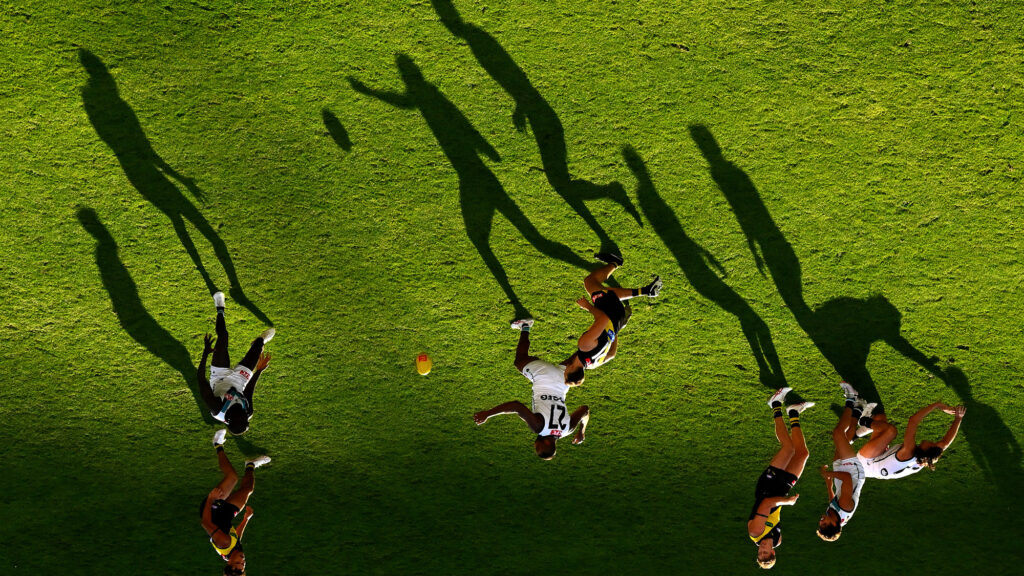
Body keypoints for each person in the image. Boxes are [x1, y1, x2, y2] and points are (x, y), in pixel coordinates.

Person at [473, 319, 590, 459]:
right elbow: (516, 406)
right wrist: (488, 414)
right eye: (537, 448)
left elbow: (585, 410)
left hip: (563, 379)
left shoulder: (567, 430)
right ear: (546, 443)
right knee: (520, 360)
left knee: (583, 352)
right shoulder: (539, 427)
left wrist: (582, 431)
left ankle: (602, 332)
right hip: (543, 375)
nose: (534, 445)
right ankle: (525, 325)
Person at [560, 253, 662, 385]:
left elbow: (611, 354)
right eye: (565, 373)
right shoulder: (584, 345)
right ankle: (617, 263)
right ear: (571, 369)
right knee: (590, 282)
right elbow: (602, 319)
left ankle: (646, 290)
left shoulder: (592, 365)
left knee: (604, 291)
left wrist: (615, 332)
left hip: (617, 321)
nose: (564, 370)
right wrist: (587, 306)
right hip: (610, 313)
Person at [747, 387, 813, 569]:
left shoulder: (756, 532)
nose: (762, 550)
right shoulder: (777, 540)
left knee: (788, 448)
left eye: (760, 553)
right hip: (782, 489)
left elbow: (767, 503)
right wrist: (784, 499)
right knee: (802, 454)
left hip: (768, 487)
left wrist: (788, 502)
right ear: (773, 552)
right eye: (765, 553)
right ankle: (793, 412)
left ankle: (775, 404)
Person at [198, 292, 275, 434]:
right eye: (246, 418)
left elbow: (201, 380)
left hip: (219, 377)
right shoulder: (247, 412)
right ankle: (260, 341)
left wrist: (205, 353)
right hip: (240, 381)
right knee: (258, 345)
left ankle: (220, 307)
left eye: (242, 416)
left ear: (231, 418)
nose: (245, 415)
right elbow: (249, 391)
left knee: (223, 337)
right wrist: (258, 371)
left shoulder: (216, 408)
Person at [200, 429, 270, 576]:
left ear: (230, 562)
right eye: (243, 565)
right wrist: (245, 519)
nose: (242, 560)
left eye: (238, 563)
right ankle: (250, 464)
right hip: (225, 515)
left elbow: (205, 523)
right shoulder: (234, 552)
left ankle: (217, 444)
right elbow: (236, 538)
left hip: (212, 509)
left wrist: (211, 498)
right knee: (248, 489)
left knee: (232, 477)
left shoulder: (223, 543)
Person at [856, 399, 966, 480]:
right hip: (875, 468)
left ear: (926, 449)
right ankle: (855, 435)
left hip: (865, 464)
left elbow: (913, 421)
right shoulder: (925, 459)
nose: (932, 442)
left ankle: (862, 420)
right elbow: (945, 443)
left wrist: (937, 405)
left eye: (932, 443)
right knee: (880, 417)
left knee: (891, 431)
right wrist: (958, 418)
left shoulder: (909, 452)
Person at [817, 383, 868, 541]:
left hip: (842, 477)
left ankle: (859, 407)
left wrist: (829, 485)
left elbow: (832, 501)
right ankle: (851, 397)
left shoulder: (833, 516)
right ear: (834, 524)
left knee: (844, 439)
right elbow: (847, 478)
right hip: (852, 473)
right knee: (838, 434)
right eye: (824, 524)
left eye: (820, 525)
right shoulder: (845, 507)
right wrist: (828, 474)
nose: (821, 521)